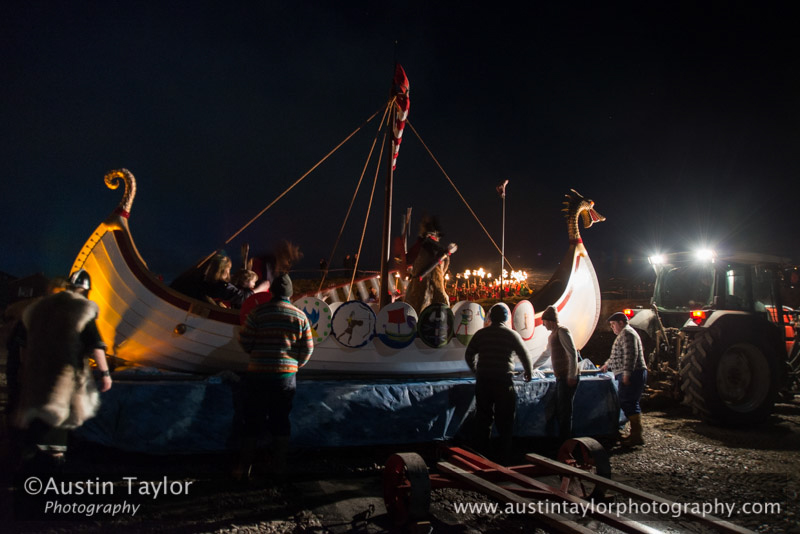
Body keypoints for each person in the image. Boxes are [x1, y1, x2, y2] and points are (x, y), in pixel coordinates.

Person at [12, 269, 113, 470]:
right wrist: (105, 374)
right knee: (58, 419)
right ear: (85, 291)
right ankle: (53, 472)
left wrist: (25, 368)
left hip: (36, 373)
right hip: (63, 375)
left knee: (36, 415)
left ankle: (29, 468)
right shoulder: (81, 310)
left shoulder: (39, 309)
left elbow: (22, 343)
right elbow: (95, 345)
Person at [235, 273, 314, 478]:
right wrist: (294, 365)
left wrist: (258, 354)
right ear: (290, 294)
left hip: (258, 375)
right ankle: (279, 467)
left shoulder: (257, 313)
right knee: (281, 420)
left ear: (272, 293)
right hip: (285, 378)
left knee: (252, 420)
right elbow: (307, 350)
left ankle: (244, 468)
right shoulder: (300, 316)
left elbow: (244, 341)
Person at [464, 305, 532, 463]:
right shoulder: (511, 335)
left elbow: (469, 354)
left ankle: (482, 453)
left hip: (484, 381)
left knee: (483, 416)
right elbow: (524, 354)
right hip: (503, 381)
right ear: (505, 318)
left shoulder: (481, 334)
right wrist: (529, 371)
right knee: (505, 418)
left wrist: (476, 370)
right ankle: (504, 454)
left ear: (490, 318)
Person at [601, 311, 647, 446]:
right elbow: (619, 353)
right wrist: (607, 364)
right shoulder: (625, 334)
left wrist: (627, 374)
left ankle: (636, 436)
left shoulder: (627, 334)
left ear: (621, 323)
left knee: (629, 402)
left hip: (633, 373)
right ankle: (635, 434)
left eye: (613, 324)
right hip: (629, 372)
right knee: (628, 402)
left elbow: (629, 355)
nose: (612, 327)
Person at [541, 305, 579, 441]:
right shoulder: (552, 336)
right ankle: (560, 438)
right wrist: (531, 366)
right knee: (559, 408)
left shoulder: (562, 331)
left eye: (544, 322)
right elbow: (546, 354)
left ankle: (566, 441)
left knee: (565, 411)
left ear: (550, 321)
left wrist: (572, 375)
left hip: (566, 376)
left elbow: (572, 353)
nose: (543, 325)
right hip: (560, 377)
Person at [203, 254, 269, 309]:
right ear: (225, 270)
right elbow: (241, 297)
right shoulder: (223, 287)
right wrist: (259, 289)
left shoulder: (205, 282)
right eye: (229, 268)